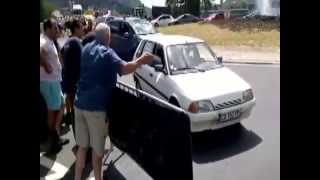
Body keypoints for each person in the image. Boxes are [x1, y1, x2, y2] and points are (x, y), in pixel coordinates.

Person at [74, 23, 154, 180]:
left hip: (79, 105)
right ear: (109, 38)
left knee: (82, 147)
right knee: (97, 154)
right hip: (96, 109)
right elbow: (125, 69)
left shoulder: (85, 49)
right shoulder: (107, 53)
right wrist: (141, 60)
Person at [40, 18, 66, 153]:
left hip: (54, 81)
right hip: (49, 82)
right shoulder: (43, 40)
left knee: (61, 106)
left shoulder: (49, 41)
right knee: (52, 111)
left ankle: (55, 134)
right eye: (55, 27)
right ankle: (51, 140)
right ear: (48, 28)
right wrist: (46, 65)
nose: (57, 29)